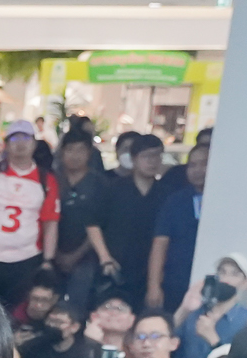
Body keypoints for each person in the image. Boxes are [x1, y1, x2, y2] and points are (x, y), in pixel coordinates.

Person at [0, 120, 59, 308]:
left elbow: (50, 222)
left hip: (26, 258)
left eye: (26, 138)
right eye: (14, 139)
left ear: (34, 144)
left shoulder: (45, 179)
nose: (20, 144)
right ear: (6, 144)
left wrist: (47, 261)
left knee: (17, 311)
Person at [85, 135, 164, 306]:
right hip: (114, 268)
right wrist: (105, 257)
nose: (152, 161)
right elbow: (93, 224)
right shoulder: (113, 188)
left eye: (157, 155)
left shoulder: (165, 193)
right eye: (146, 156)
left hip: (149, 272)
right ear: (133, 159)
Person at [49, 133, 110, 311]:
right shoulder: (52, 179)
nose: (75, 155)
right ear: (61, 152)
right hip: (52, 254)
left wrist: (76, 255)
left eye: (80, 150)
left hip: (86, 255)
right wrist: (55, 253)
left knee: (78, 307)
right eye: (70, 150)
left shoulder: (100, 183)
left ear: (89, 153)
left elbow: (101, 224)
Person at [147, 141, 209, 313]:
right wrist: (154, 285)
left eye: (204, 163)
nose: (198, 170)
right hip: (175, 282)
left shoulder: (225, 200)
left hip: (210, 282)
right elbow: (160, 244)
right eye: (192, 165)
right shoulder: (175, 201)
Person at [174, 251, 247, 358]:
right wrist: (184, 308)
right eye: (222, 272)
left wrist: (212, 338)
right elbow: (167, 338)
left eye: (234, 274)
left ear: (245, 283)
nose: (225, 279)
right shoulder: (195, 311)